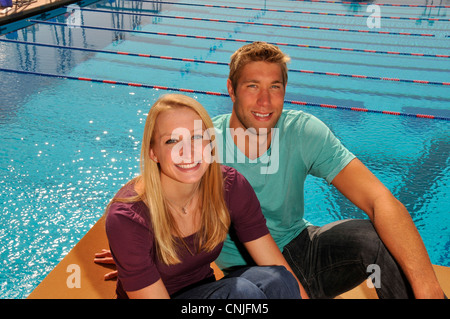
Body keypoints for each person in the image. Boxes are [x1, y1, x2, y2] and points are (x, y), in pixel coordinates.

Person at [211, 41, 445, 299]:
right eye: (252, 86)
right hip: (251, 276)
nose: (264, 101)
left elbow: (380, 200)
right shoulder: (204, 147)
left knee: (376, 239)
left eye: (274, 87)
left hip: (305, 250)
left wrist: (428, 289)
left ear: (285, 90)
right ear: (231, 90)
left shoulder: (301, 131)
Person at [103, 93, 302, 299]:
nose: (187, 151)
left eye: (197, 137)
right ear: (153, 152)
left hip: (205, 294)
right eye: (171, 141)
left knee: (278, 279)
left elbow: (276, 265)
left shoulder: (229, 186)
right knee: (243, 294)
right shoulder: (129, 217)